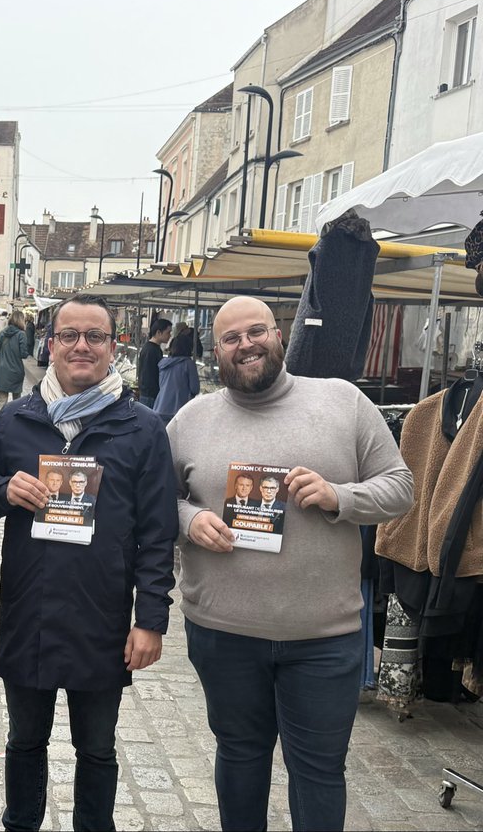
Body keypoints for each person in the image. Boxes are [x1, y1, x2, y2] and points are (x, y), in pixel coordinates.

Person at [167, 295, 413, 832]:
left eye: (256, 331)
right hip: (223, 632)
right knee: (239, 756)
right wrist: (189, 520)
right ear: (215, 350)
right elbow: (157, 500)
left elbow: (401, 488)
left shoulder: (343, 402)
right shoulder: (190, 419)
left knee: (319, 771)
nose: (246, 345)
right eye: (231, 338)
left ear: (279, 335)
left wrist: (339, 496)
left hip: (323, 637)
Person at [0, 293, 177, 832]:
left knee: (97, 748)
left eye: (95, 336)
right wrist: (2, 490)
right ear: (51, 344)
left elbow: (158, 533)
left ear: (113, 346)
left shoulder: (142, 428)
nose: (81, 346)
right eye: (69, 335)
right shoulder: (15, 421)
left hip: (102, 616)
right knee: (24, 741)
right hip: (29, 612)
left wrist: (150, 620)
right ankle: (21, 824)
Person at [153, 338, 200, 423]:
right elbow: (195, 389)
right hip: (178, 410)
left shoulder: (163, 363)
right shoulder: (188, 364)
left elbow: (161, 385)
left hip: (159, 407)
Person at [0, 309, 28, 408]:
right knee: (17, 401)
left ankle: (1, 418)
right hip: (16, 370)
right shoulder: (21, 335)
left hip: (2, 370)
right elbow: (24, 354)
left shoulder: (3, 332)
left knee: (2, 401)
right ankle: (15, 417)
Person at [137, 318, 172, 407]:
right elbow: (147, 374)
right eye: (168, 332)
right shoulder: (150, 350)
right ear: (159, 332)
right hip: (149, 395)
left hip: (150, 394)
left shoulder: (154, 348)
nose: (170, 335)